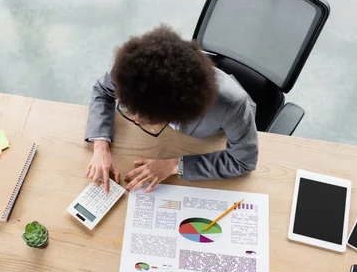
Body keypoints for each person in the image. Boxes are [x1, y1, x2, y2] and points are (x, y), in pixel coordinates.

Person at [84, 25, 258, 194]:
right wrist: (100, 146)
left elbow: (242, 161)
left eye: (149, 119)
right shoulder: (134, 72)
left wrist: (175, 165)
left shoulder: (232, 105)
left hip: (213, 135)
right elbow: (102, 90)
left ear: (177, 113)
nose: (136, 120)